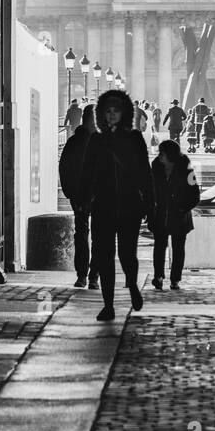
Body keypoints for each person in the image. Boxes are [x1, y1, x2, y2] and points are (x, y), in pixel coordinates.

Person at [77, 88, 151, 322]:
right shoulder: (96, 140)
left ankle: (133, 285)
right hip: (103, 205)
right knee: (104, 255)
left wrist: (150, 203)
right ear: (102, 113)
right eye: (107, 111)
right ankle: (108, 305)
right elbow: (86, 172)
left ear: (124, 113)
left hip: (129, 205)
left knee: (127, 254)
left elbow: (145, 174)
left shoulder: (135, 139)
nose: (111, 115)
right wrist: (82, 199)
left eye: (115, 111)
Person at [147, 140, 201, 290]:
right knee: (159, 247)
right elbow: (150, 190)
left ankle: (175, 279)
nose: (159, 156)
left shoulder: (187, 168)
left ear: (170, 155)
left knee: (178, 248)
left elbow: (195, 193)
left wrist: (183, 208)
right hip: (160, 214)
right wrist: (150, 209)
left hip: (179, 216)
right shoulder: (155, 167)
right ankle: (158, 276)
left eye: (162, 153)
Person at [58, 103, 99, 288]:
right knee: (93, 236)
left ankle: (85, 276)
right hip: (89, 196)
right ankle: (90, 276)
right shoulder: (99, 141)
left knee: (83, 235)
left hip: (89, 196)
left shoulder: (74, 142)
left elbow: (64, 168)